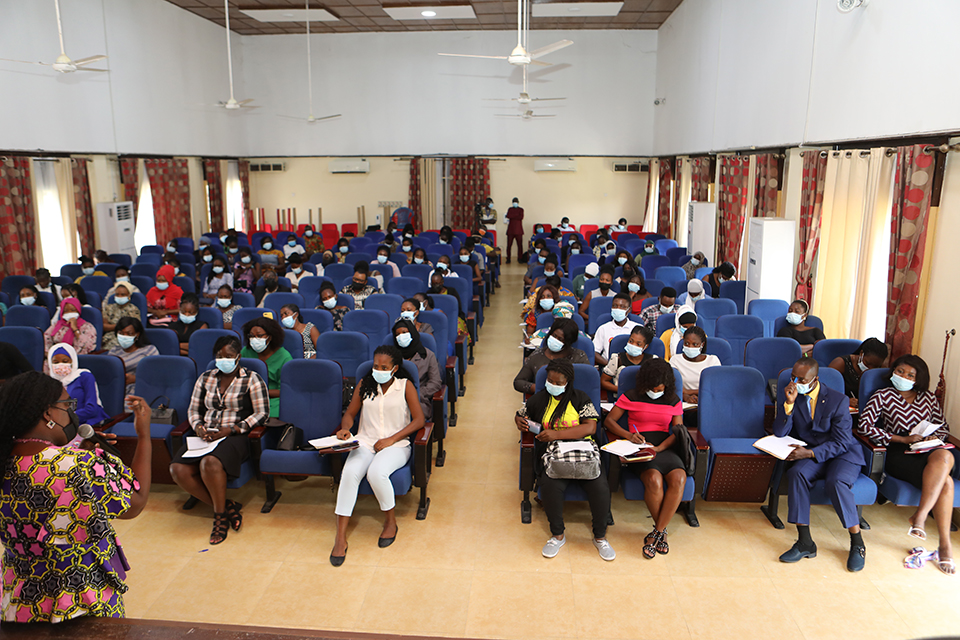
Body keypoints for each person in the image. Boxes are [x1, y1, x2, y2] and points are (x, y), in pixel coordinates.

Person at [0, 371, 152, 622]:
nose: (72, 412)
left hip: (19, 602)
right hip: (79, 601)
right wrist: (144, 435)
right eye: (66, 405)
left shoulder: (6, 460)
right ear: (48, 413)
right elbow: (136, 502)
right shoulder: (79, 465)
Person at [857, 354, 956, 575]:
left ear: (918, 379)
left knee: (945, 456)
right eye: (900, 372)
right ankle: (944, 545)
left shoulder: (928, 398)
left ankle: (920, 516)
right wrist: (902, 439)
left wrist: (932, 438)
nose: (904, 377)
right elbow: (865, 427)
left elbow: (943, 428)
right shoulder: (882, 395)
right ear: (893, 371)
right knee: (947, 482)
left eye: (910, 375)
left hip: (928, 452)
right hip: (899, 452)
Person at [169, 335, 269, 545]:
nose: (224, 359)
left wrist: (232, 429)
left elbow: (262, 413)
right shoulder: (205, 378)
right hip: (206, 434)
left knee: (210, 463)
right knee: (177, 470)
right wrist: (198, 427)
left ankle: (219, 517)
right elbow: (193, 409)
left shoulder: (251, 378)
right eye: (219, 356)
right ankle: (227, 506)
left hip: (234, 435)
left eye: (229, 356)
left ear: (238, 357)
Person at [330, 346, 425, 566]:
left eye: (384, 367)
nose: (378, 370)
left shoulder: (405, 386)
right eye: (375, 366)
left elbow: (419, 420)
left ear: (395, 369)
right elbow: (350, 414)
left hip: (396, 445)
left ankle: (390, 522)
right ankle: (340, 537)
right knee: (350, 472)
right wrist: (345, 428)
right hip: (364, 441)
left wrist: (392, 439)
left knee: (377, 473)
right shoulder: (365, 385)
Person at [775, 358, 867, 572]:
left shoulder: (838, 400)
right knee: (797, 474)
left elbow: (842, 442)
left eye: (802, 379)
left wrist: (810, 452)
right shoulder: (792, 395)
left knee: (836, 481)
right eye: (793, 378)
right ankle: (805, 542)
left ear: (815, 379)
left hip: (842, 454)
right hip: (813, 453)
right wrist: (788, 404)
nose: (796, 383)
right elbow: (780, 432)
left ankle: (857, 542)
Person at [516, 361, 614, 561]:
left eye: (558, 382)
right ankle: (557, 535)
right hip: (554, 455)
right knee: (550, 486)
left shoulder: (580, 398)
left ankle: (600, 537)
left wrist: (556, 434)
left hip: (582, 450)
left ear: (567, 382)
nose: (553, 385)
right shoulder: (538, 400)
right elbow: (522, 416)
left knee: (600, 487)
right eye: (549, 381)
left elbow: (590, 428)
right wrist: (518, 420)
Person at [514, 318, 589, 395]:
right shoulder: (537, 355)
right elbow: (518, 382)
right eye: (554, 335)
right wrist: (538, 388)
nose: (555, 340)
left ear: (568, 342)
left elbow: (587, 382)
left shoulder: (579, 357)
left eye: (560, 339)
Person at [240, 315, 292, 417]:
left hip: (272, 399)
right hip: (246, 395)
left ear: (270, 336)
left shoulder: (284, 357)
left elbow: (285, 390)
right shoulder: (246, 351)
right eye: (251, 336)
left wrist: (259, 392)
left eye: (259, 336)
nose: (255, 339)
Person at [47, 343, 110, 426]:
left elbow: (91, 409)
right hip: (60, 424)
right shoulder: (49, 382)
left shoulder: (84, 376)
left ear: (73, 361)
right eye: (55, 362)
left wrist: (66, 417)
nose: (60, 365)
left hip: (85, 423)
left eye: (65, 361)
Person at [391, 320, 442, 421]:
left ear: (412, 333)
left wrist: (416, 394)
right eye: (397, 334)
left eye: (404, 332)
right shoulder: (391, 357)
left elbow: (435, 382)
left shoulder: (428, 355)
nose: (401, 336)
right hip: (393, 398)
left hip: (419, 399)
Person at [828, 338, 888, 408]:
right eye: (867, 363)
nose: (870, 369)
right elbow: (826, 391)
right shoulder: (840, 363)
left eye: (875, 366)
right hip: (843, 407)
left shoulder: (881, 368)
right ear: (861, 353)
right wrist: (846, 400)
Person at [107, 317, 159, 395]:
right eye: (121, 333)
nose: (125, 336)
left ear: (137, 335)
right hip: (116, 388)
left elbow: (157, 375)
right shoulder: (114, 351)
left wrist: (136, 379)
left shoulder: (149, 350)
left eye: (129, 333)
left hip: (141, 388)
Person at [669, 326, 720, 405]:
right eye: (687, 343)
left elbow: (715, 388)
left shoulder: (713, 361)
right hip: (684, 403)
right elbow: (673, 387)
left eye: (695, 344)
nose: (690, 347)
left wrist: (688, 391)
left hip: (709, 402)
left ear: (702, 344)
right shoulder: (675, 360)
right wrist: (685, 396)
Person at [601, 325, 657, 396]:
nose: (633, 345)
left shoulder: (653, 360)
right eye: (631, 341)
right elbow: (604, 381)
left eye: (638, 344)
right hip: (622, 397)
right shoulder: (617, 358)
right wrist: (622, 390)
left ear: (646, 346)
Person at [44, 298, 97, 366]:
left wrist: (74, 328)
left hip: (77, 359)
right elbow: (46, 338)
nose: (70, 313)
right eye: (66, 311)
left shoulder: (87, 326)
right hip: (56, 357)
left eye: (73, 310)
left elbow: (85, 346)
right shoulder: (57, 325)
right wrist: (50, 353)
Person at [592, 293, 638, 367]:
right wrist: (610, 365)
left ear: (629, 310)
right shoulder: (603, 328)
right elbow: (594, 352)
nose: (618, 309)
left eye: (622, 307)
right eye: (615, 306)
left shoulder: (637, 328)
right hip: (607, 366)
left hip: (631, 367)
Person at [102, 284, 141, 349]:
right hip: (109, 337)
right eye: (117, 294)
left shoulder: (134, 309)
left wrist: (112, 326)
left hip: (126, 337)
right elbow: (104, 326)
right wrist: (119, 326)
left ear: (129, 296)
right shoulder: (108, 308)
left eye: (123, 295)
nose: (120, 297)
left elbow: (134, 328)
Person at [505, 197, 524, 263]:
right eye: (514, 202)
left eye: (516, 202)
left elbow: (521, 217)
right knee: (509, 245)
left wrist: (512, 216)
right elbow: (508, 216)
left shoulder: (521, 209)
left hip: (519, 230)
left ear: (518, 202)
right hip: (510, 230)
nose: (515, 203)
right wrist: (516, 215)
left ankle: (520, 258)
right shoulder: (510, 209)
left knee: (520, 245)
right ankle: (508, 258)